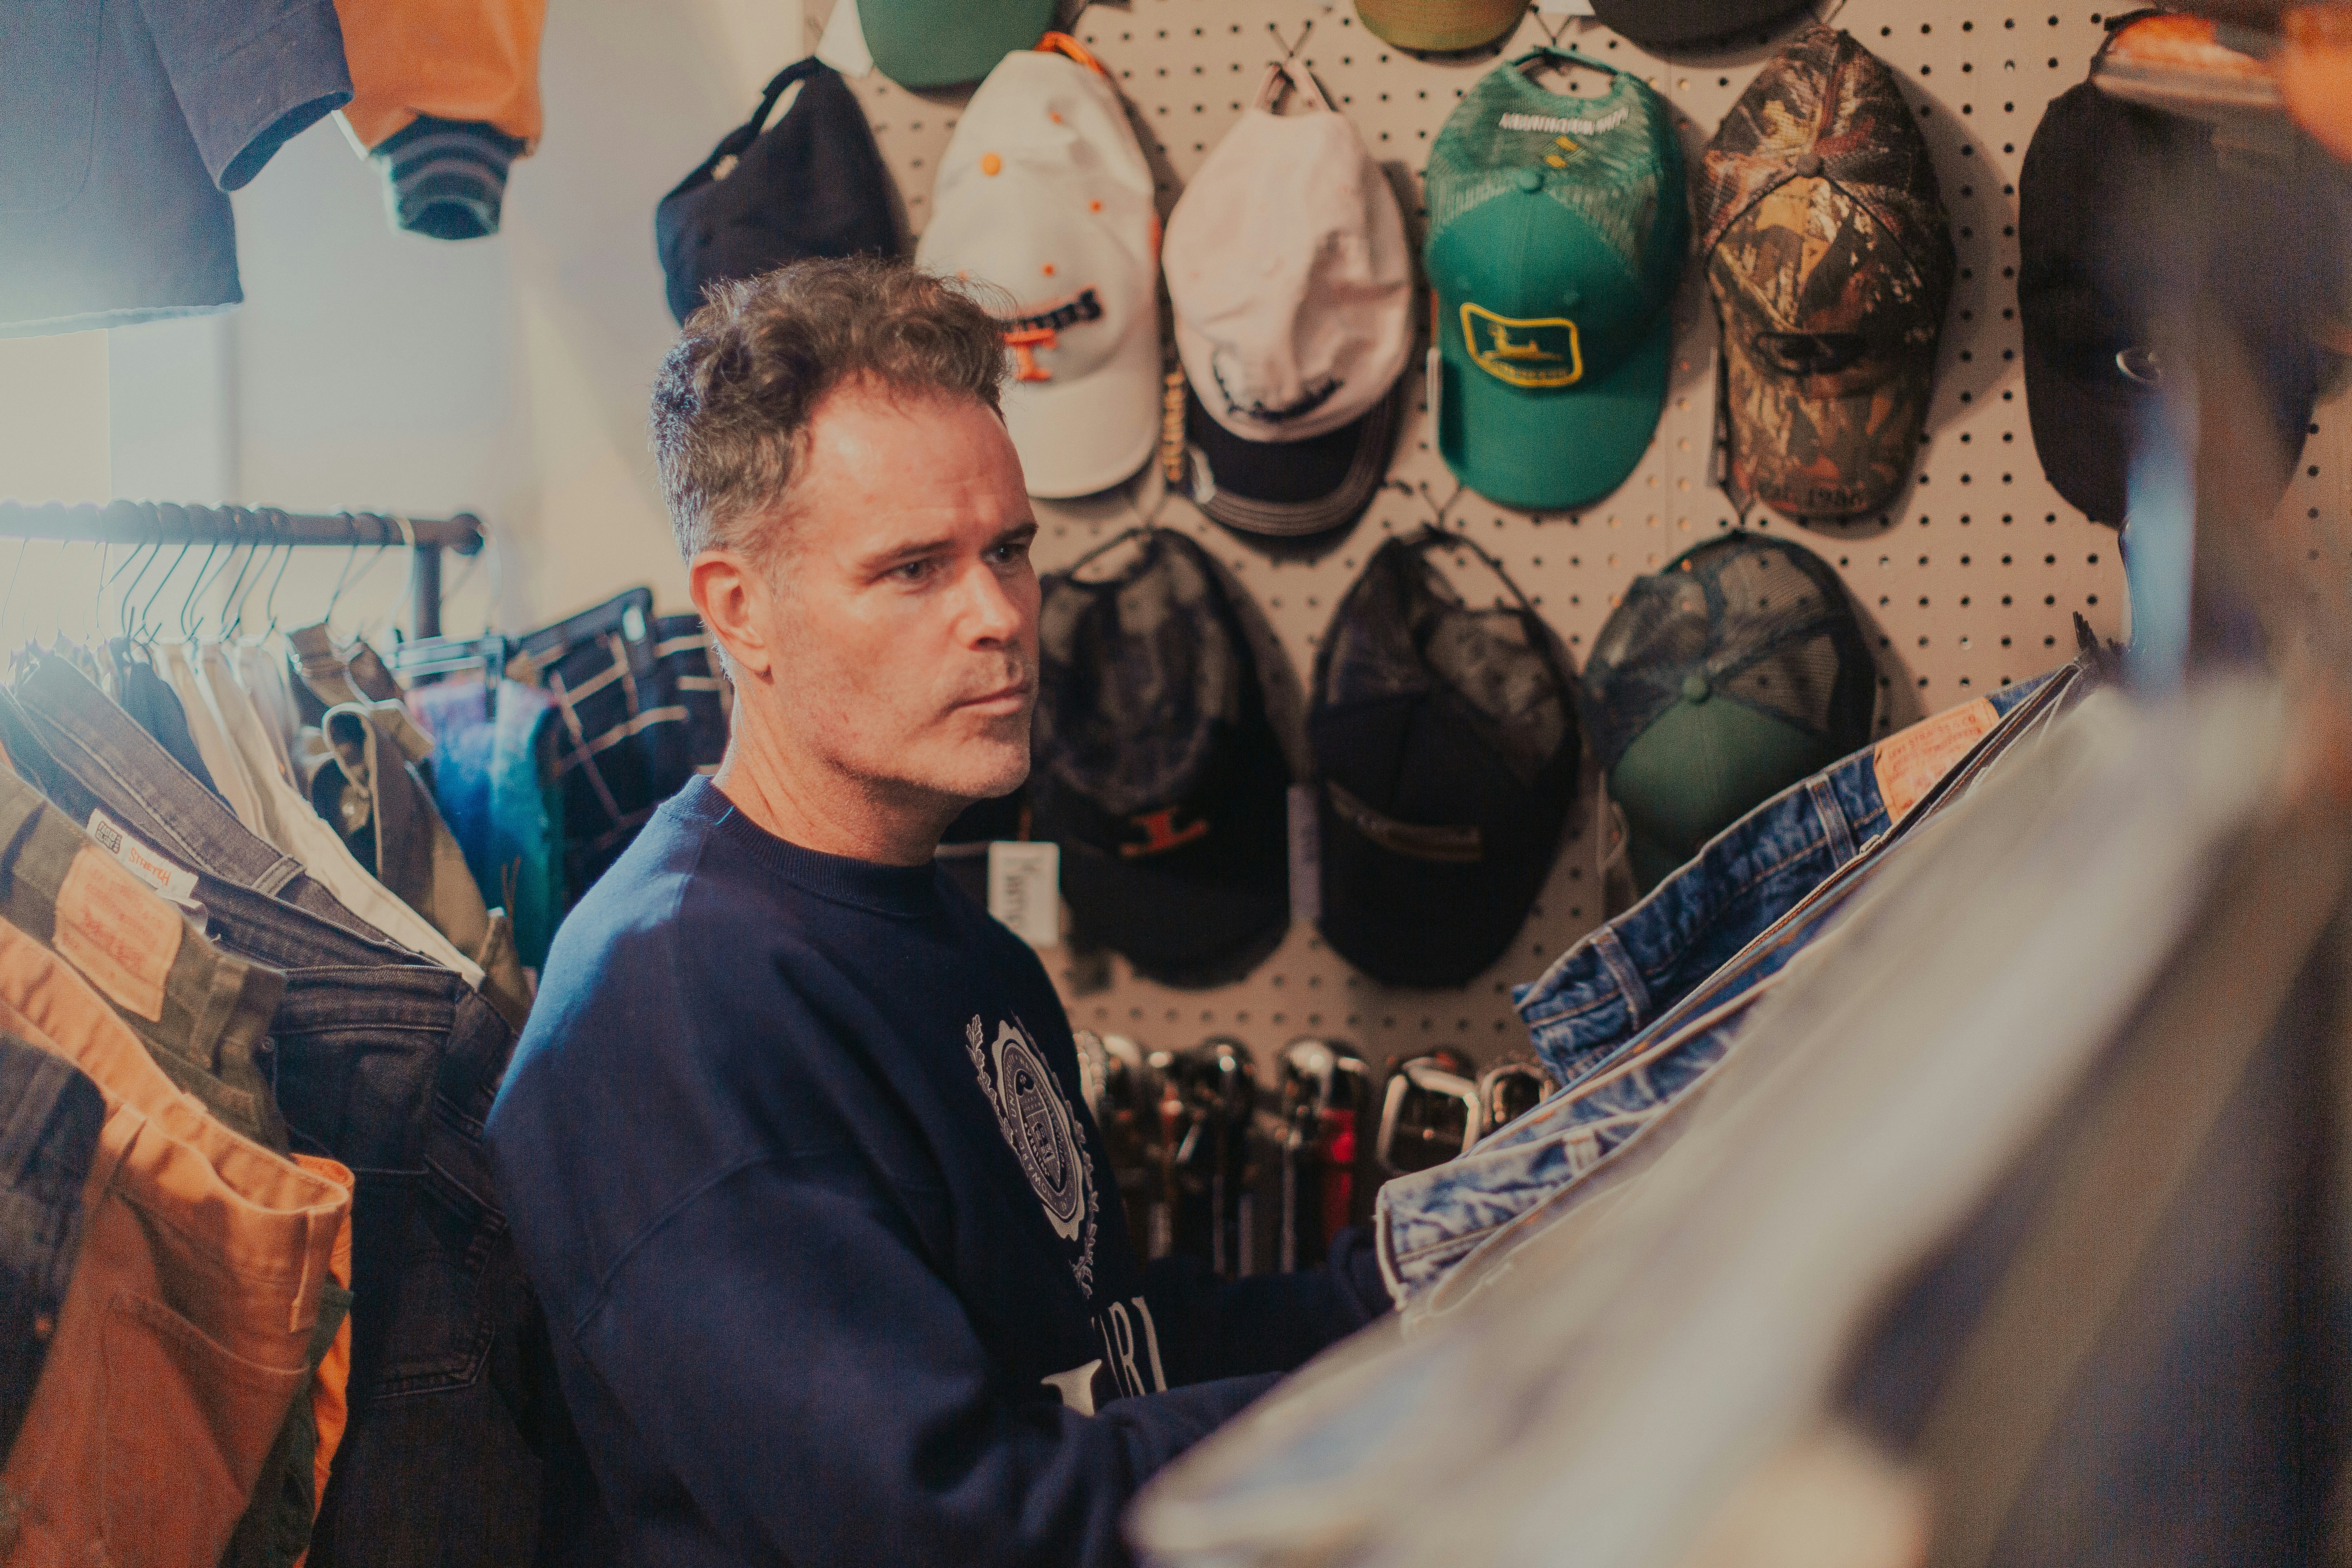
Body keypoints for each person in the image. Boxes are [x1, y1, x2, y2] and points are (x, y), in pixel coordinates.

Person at [484, 257, 1390, 1568]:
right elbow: (952, 1525)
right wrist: (1414, 1415)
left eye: (1009, 550)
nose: (1000, 618)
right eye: (914, 569)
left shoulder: (963, 947)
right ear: (741, 610)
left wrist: (1406, 1295)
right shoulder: (677, 1008)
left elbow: (1101, 1344)